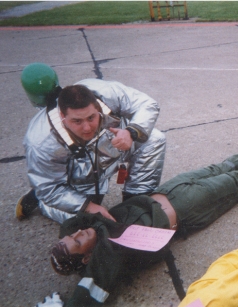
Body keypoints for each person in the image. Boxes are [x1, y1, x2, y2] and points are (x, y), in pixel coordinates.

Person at [46, 131, 238, 307]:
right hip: (183, 208)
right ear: (88, 258)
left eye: (72, 235)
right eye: (77, 242)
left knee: (213, 170)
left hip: (164, 192)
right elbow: (84, 299)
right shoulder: (106, 256)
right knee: (232, 184)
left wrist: (67, 241)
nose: (78, 233)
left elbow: (70, 224)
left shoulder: (88, 229)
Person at [16, 63, 166, 223]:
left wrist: (131, 132)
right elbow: (48, 189)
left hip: (113, 150)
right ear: (62, 116)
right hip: (81, 178)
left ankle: (136, 202)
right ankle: (40, 202)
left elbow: (148, 104)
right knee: (89, 221)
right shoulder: (39, 141)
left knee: (154, 139)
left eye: (91, 118)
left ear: (96, 105)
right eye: (77, 121)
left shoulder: (103, 92)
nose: (87, 128)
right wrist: (88, 206)